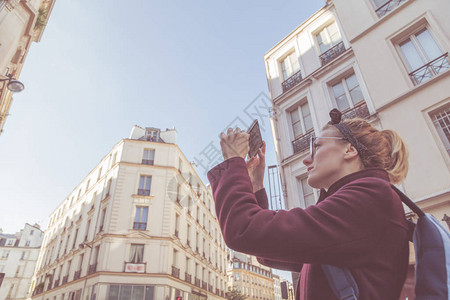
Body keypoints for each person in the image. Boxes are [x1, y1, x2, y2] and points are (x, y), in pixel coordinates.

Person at [207, 109, 410, 300]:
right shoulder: (366, 198)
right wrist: (256, 185)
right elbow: (265, 250)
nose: (306, 159)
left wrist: (233, 161)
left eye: (317, 145)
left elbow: (242, 229)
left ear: (349, 150)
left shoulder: (369, 197)